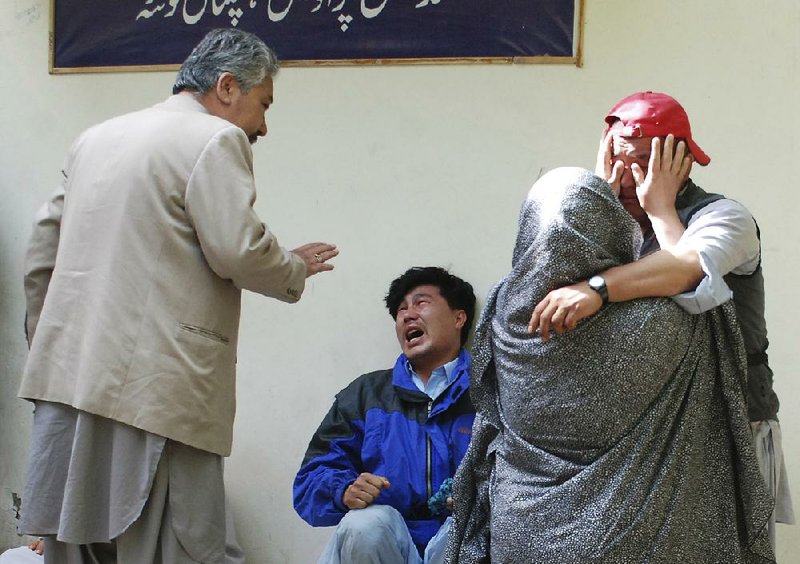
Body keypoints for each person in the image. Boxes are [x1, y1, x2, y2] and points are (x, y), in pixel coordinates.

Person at [17, 28, 337, 562]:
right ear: (229, 86)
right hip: (157, 390)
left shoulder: (95, 138)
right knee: (180, 546)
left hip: (71, 383)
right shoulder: (215, 139)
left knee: (76, 544)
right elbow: (236, 249)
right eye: (263, 104)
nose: (263, 126)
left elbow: (41, 259)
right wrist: (293, 266)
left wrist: (51, 345)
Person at [447, 167, 775, 562]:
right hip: (629, 533)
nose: (628, 178)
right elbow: (693, 287)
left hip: (522, 528)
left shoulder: (504, 312)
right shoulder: (657, 319)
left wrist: (602, 206)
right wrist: (662, 212)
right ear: (607, 226)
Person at [528, 91, 794, 545]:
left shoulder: (727, 218)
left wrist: (658, 213)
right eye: (618, 158)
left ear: (682, 161)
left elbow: (686, 275)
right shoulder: (602, 221)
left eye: (644, 162)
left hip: (727, 424)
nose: (628, 177)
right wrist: (596, 204)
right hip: (631, 438)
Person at [293, 267, 476, 564]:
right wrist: (344, 490)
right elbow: (310, 480)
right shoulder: (366, 394)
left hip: (457, 540)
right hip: (387, 543)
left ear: (459, 317)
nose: (407, 315)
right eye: (401, 310)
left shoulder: (488, 392)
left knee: (476, 525)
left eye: (421, 303)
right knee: (364, 524)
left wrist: (478, 494)